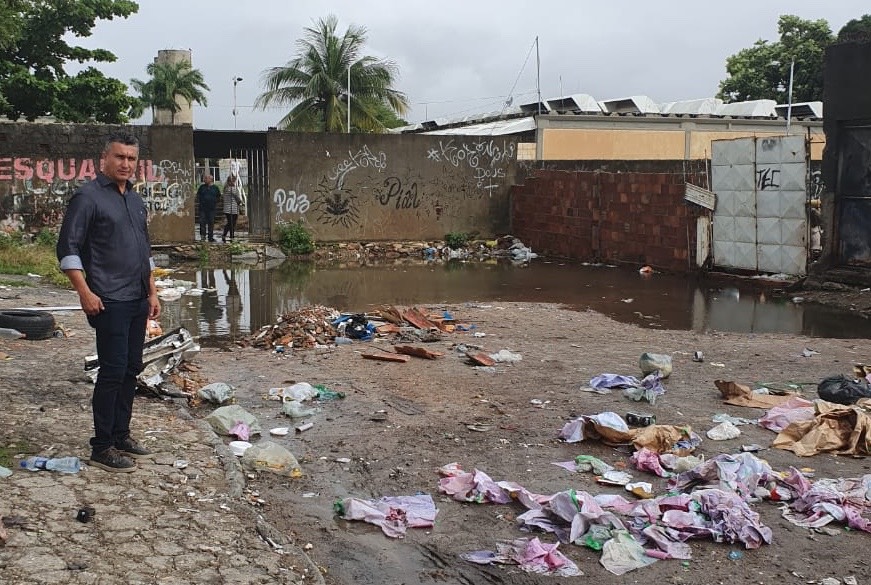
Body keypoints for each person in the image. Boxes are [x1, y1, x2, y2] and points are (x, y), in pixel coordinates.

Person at [56, 131, 161, 473]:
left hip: (136, 298)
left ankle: (121, 434)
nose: (126, 164)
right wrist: (84, 292)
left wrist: (153, 292)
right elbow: (67, 249)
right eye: (120, 157)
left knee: (131, 369)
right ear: (105, 159)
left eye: (131, 159)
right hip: (108, 300)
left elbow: (144, 251)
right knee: (112, 372)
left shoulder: (135, 199)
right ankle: (101, 447)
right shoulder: (87, 198)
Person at [196, 174, 220, 242]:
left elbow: (218, 196)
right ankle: (203, 236)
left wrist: (215, 203)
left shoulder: (215, 188)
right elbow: (198, 195)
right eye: (204, 178)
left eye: (206, 178)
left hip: (211, 209)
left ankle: (210, 237)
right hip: (202, 208)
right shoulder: (202, 187)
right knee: (202, 222)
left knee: (211, 223)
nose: (204, 179)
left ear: (210, 179)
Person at [221, 174, 243, 242]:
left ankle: (228, 235)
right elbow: (238, 199)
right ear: (230, 182)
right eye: (234, 181)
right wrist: (241, 203)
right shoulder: (232, 189)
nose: (234, 183)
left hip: (227, 209)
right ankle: (230, 235)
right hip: (233, 209)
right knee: (232, 223)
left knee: (230, 223)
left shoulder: (225, 188)